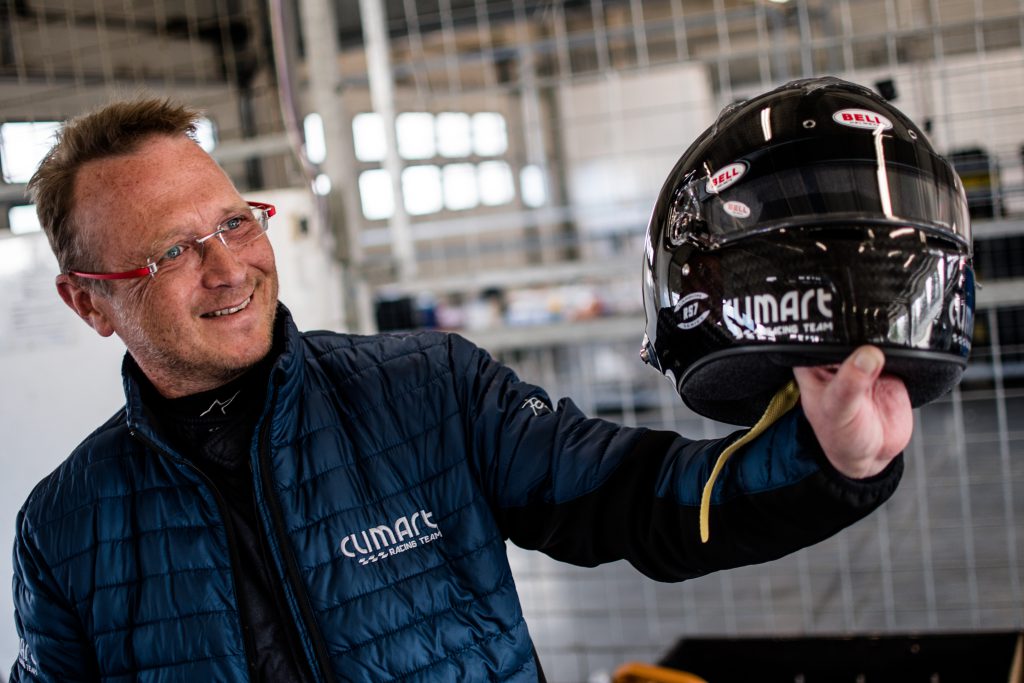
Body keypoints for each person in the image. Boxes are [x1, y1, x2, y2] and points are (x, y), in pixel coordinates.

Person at [11, 97, 910, 683]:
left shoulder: (425, 389)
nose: (228, 267)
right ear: (89, 302)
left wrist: (826, 455)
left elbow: (641, 496)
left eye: (235, 222)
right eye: (173, 250)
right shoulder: (63, 528)